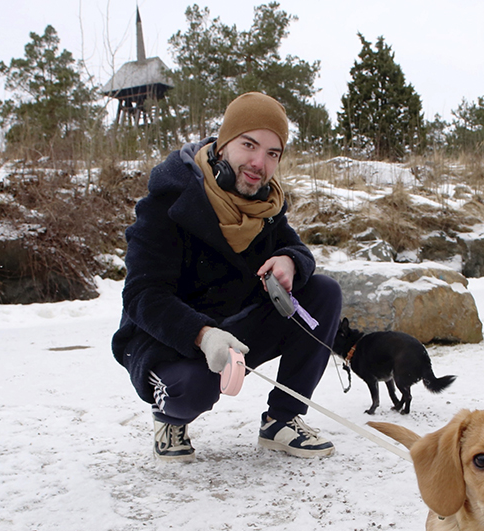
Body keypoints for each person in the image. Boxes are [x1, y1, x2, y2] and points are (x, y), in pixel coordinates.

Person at [111, 92, 342, 462]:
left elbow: (298, 251)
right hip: (168, 339)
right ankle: (169, 419)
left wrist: (290, 261)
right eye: (248, 145)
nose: (258, 163)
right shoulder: (168, 202)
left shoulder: (265, 207)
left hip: (234, 333)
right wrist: (202, 335)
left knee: (323, 293)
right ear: (223, 145)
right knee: (194, 388)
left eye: (272, 153)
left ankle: (282, 420)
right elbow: (142, 296)